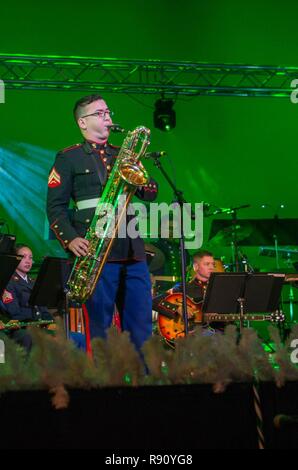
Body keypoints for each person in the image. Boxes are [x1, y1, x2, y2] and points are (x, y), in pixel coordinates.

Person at [47, 94, 158, 354]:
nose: (107, 117)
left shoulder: (123, 154)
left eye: (108, 112)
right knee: (101, 329)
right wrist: (71, 239)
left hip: (131, 250)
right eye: (100, 113)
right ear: (82, 122)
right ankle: (104, 387)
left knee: (141, 328)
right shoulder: (68, 158)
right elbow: (55, 208)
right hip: (96, 254)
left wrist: (139, 170)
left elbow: (151, 193)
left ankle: (145, 386)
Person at [153, 249, 225, 336]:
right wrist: (177, 308)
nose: (211, 267)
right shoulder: (184, 287)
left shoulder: (221, 290)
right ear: (196, 267)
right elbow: (154, 302)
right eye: (207, 264)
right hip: (192, 335)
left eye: (213, 264)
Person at [1, 244, 54, 351]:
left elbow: (43, 309)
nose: (28, 261)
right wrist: (38, 324)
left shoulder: (34, 282)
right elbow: (15, 314)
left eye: (30, 257)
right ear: (15, 259)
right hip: (21, 328)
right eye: (23, 257)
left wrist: (50, 322)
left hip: (37, 326)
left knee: (61, 335)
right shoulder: (8, 282)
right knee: (30, 338)